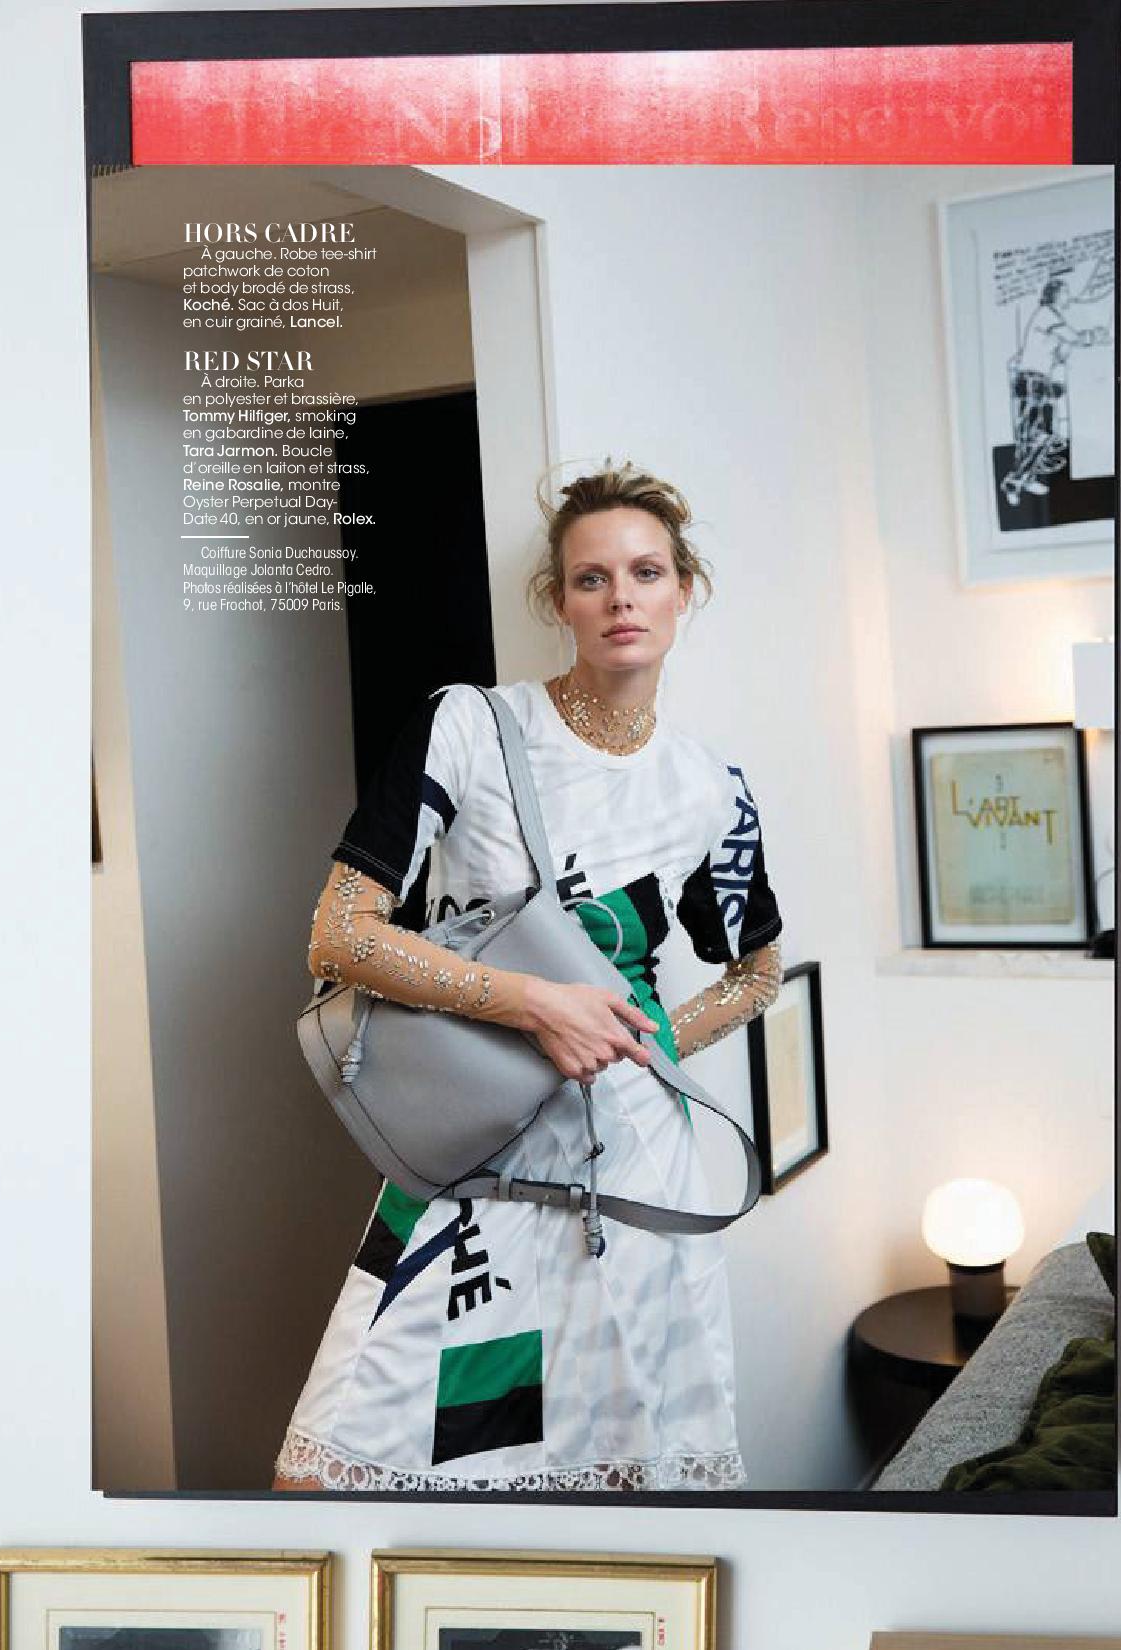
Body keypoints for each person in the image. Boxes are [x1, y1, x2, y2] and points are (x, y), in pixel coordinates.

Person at [272, 462, 784, 1492]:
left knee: (630, 1475)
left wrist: (639, 1045)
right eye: (592, 579)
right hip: (479, 1150)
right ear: (560, 602)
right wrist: (537, 1004)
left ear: (685, 590)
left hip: (637, 1170)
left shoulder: (711, 788)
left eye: (646, 572)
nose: (621, 597)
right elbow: (339, 937)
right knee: (340, 1476)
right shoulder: (470, 726)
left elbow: (756, 973)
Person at [1002, 274, 1109, 508]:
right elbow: (1075, 338)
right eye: (1066, 292)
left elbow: (1061, 351)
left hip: (1040, 381)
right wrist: (1095, 335)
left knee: (1044, 433)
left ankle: (1026, 478)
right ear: (1055, 295)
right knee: (1036, 434)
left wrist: (1071, 346)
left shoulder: (1054, 318)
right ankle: (1014, 482)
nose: (1069, 296)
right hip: (1033, 380)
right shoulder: (1047, 314)